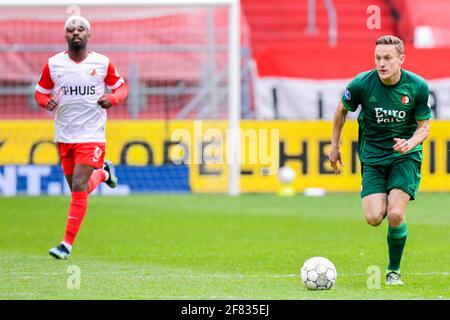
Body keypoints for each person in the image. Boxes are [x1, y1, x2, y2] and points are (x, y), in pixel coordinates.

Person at [329, 35, 431, 285]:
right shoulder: (362, 83)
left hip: (404, 156)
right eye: (378, 58)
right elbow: (342, 109)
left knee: (396, 214)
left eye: (387, 58)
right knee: (375, 218)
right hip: (372, 157)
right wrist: (335, 145)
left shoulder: (417, 86)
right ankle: (378, 193)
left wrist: (411, 142)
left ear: (401, 59)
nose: (381, 63)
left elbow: (424, 127)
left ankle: (393, 271)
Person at [34, 15, 128, 259]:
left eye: (81, 29)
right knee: (80, 189)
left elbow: (121, 87)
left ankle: (66, 245)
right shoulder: (53, 64)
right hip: (65, 135)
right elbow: (39, 93)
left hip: (92, 134)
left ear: (88, 35)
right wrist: (46, 101)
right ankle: (105, 173)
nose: (76, 33)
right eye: (71, 30)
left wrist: (113, 98)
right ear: (66, 36)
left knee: (77, 185)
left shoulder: (102, 62)